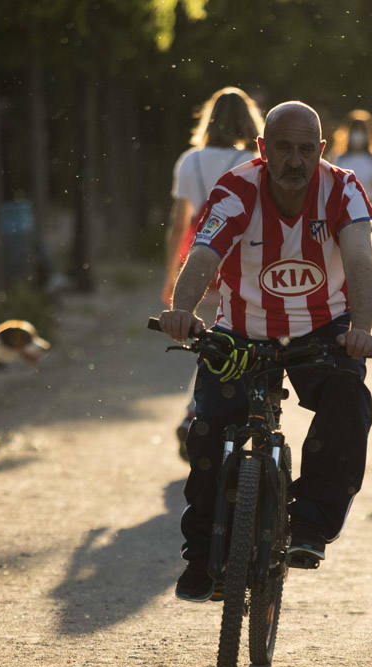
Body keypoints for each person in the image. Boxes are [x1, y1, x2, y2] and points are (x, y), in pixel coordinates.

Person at [157, 101, 372, 601]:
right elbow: (203, 254)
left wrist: (361, 330)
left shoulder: (343, 189)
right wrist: (181, 308)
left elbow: (361, 265)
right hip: (241, 331)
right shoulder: (236, 188)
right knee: (209, 431)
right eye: (284, 148)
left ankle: (308, 526)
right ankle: (201, 558)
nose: (295, 161)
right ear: (263, 148)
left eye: (306, 150)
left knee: (349, 400)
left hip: (324, 329)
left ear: (321, 151)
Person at [162, 87, 265, 459]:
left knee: (207, 338)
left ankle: (197, 409)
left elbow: (179, 222)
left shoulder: (190, 161)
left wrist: (172, 275)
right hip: (245, 257)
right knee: (241, 335)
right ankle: (241, 408)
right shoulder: (255, 160)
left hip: (201, 254)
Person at [330, 109, 372, 234]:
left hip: (369, 212)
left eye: (362, 130)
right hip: (343, 213)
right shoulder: (337, 158)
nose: (358, 134)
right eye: (354, 129)